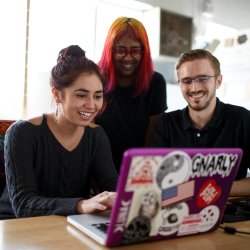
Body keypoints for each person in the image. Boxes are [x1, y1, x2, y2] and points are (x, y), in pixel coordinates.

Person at [0, 45, 118, 219]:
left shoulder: (96, 135)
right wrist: (80, 205)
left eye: (97, 96)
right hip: (16, 226)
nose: (92, 105)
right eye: (81, 95)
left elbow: (111, 186)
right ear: (57, 95)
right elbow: (24, 205)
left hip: (69, 223)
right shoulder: (21, 133)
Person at [151, 49, 250, 197]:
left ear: (218, 81)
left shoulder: (241, 118)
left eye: (203, 78)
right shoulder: (166, 124)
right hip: (177, 212)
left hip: (230, 215)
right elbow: (156, 187)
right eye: (186, 80)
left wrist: (209, 188)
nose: (195, 88)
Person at [97, 17, 167, 173]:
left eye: (135, 51)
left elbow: (151, 136)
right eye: (120, 50)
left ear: (144, 51)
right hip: (97, 166)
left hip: (138, 167)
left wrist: (138, 173)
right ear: (110, 50)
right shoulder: (94, 78)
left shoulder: (156, 82)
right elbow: (88, 132)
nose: (128, 58)